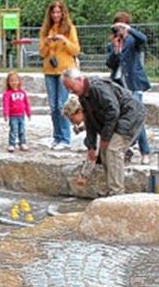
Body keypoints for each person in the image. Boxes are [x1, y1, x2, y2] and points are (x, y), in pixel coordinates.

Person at [61, 68, 147, 197]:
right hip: (120, 118)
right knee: (104, 150)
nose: (70, 91)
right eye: (67, 89)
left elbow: (113, 111)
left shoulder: (97, 88)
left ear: (80, 79)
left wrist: (105, 139)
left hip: (131, 115)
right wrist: (91, 146)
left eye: (71, 87)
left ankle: (117, 192)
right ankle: (112, 188)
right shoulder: (83, 97)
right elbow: (90, 122)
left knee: (113, 149)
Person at [106, 11, 151, 165]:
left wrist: (128, 30)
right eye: (117, 27)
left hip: (133, 84)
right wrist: (116, 51)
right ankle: (128, 148)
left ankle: (145, 152)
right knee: (123, 119)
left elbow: (144, 39)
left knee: (136, 117)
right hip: (118, 85)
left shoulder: (133, 40)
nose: (119, 31)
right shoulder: (113, 43)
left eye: (122, 26)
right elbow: (110, 64)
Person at [38, 0, 79, 151]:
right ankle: (57, 136)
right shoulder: (45, 29)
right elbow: (41, 53)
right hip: (49, 70)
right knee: (53, 106)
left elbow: (76, 50)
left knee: (62, 104)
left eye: (58, 12)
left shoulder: (70, 28)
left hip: (65, 71)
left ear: (63, 13)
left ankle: (65, 138)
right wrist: (48, 43)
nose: (56, 15)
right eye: (53, 12)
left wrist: (64, 40)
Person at [2, 70, 30, 152]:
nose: (14, 82)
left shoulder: (23, 93)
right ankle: (12, 144)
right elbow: (5, 105)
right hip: (13, 115)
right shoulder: (7, 94)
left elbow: (26, 103)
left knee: (22, 130)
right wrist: (6, 114)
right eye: (11, 80)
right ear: (8, 82)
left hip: (21, 115)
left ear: (19, 81)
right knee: (13, 130)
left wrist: (28, 113)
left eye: (16, 80)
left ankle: (22, 143)